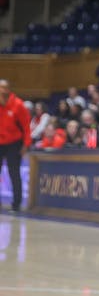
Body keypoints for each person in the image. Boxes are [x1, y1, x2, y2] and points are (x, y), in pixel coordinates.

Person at [0, 79, 31, 212]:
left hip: (14, 143)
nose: (1, 90)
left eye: (3, 88)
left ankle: (16, 204)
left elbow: (26, 126)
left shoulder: (18, 105)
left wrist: (26, 144)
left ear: (8, 89)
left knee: (14, 173)